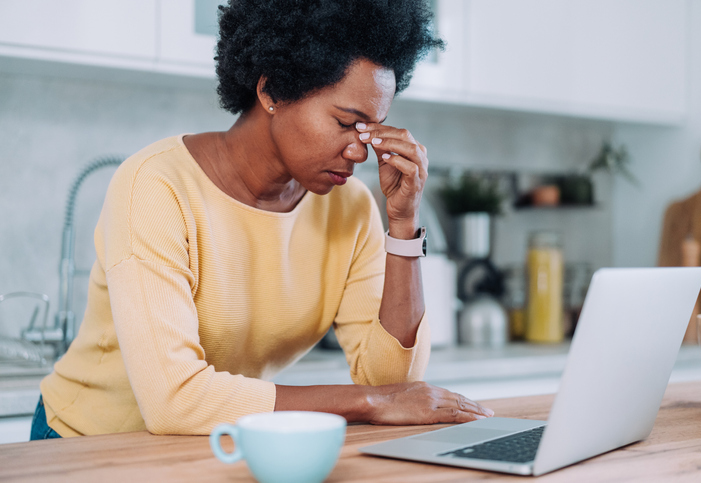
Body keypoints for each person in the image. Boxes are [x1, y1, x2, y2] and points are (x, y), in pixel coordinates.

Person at [33, 0, 493, 439]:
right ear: (271, 90)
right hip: (86, 442)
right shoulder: (156, 187)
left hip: (210, 442)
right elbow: (174, 399)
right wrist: (367, 403)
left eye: (370, 129)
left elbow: (394, 382)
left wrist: (403, 225)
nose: (359, 151)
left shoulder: (349, 207)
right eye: (344, 123)